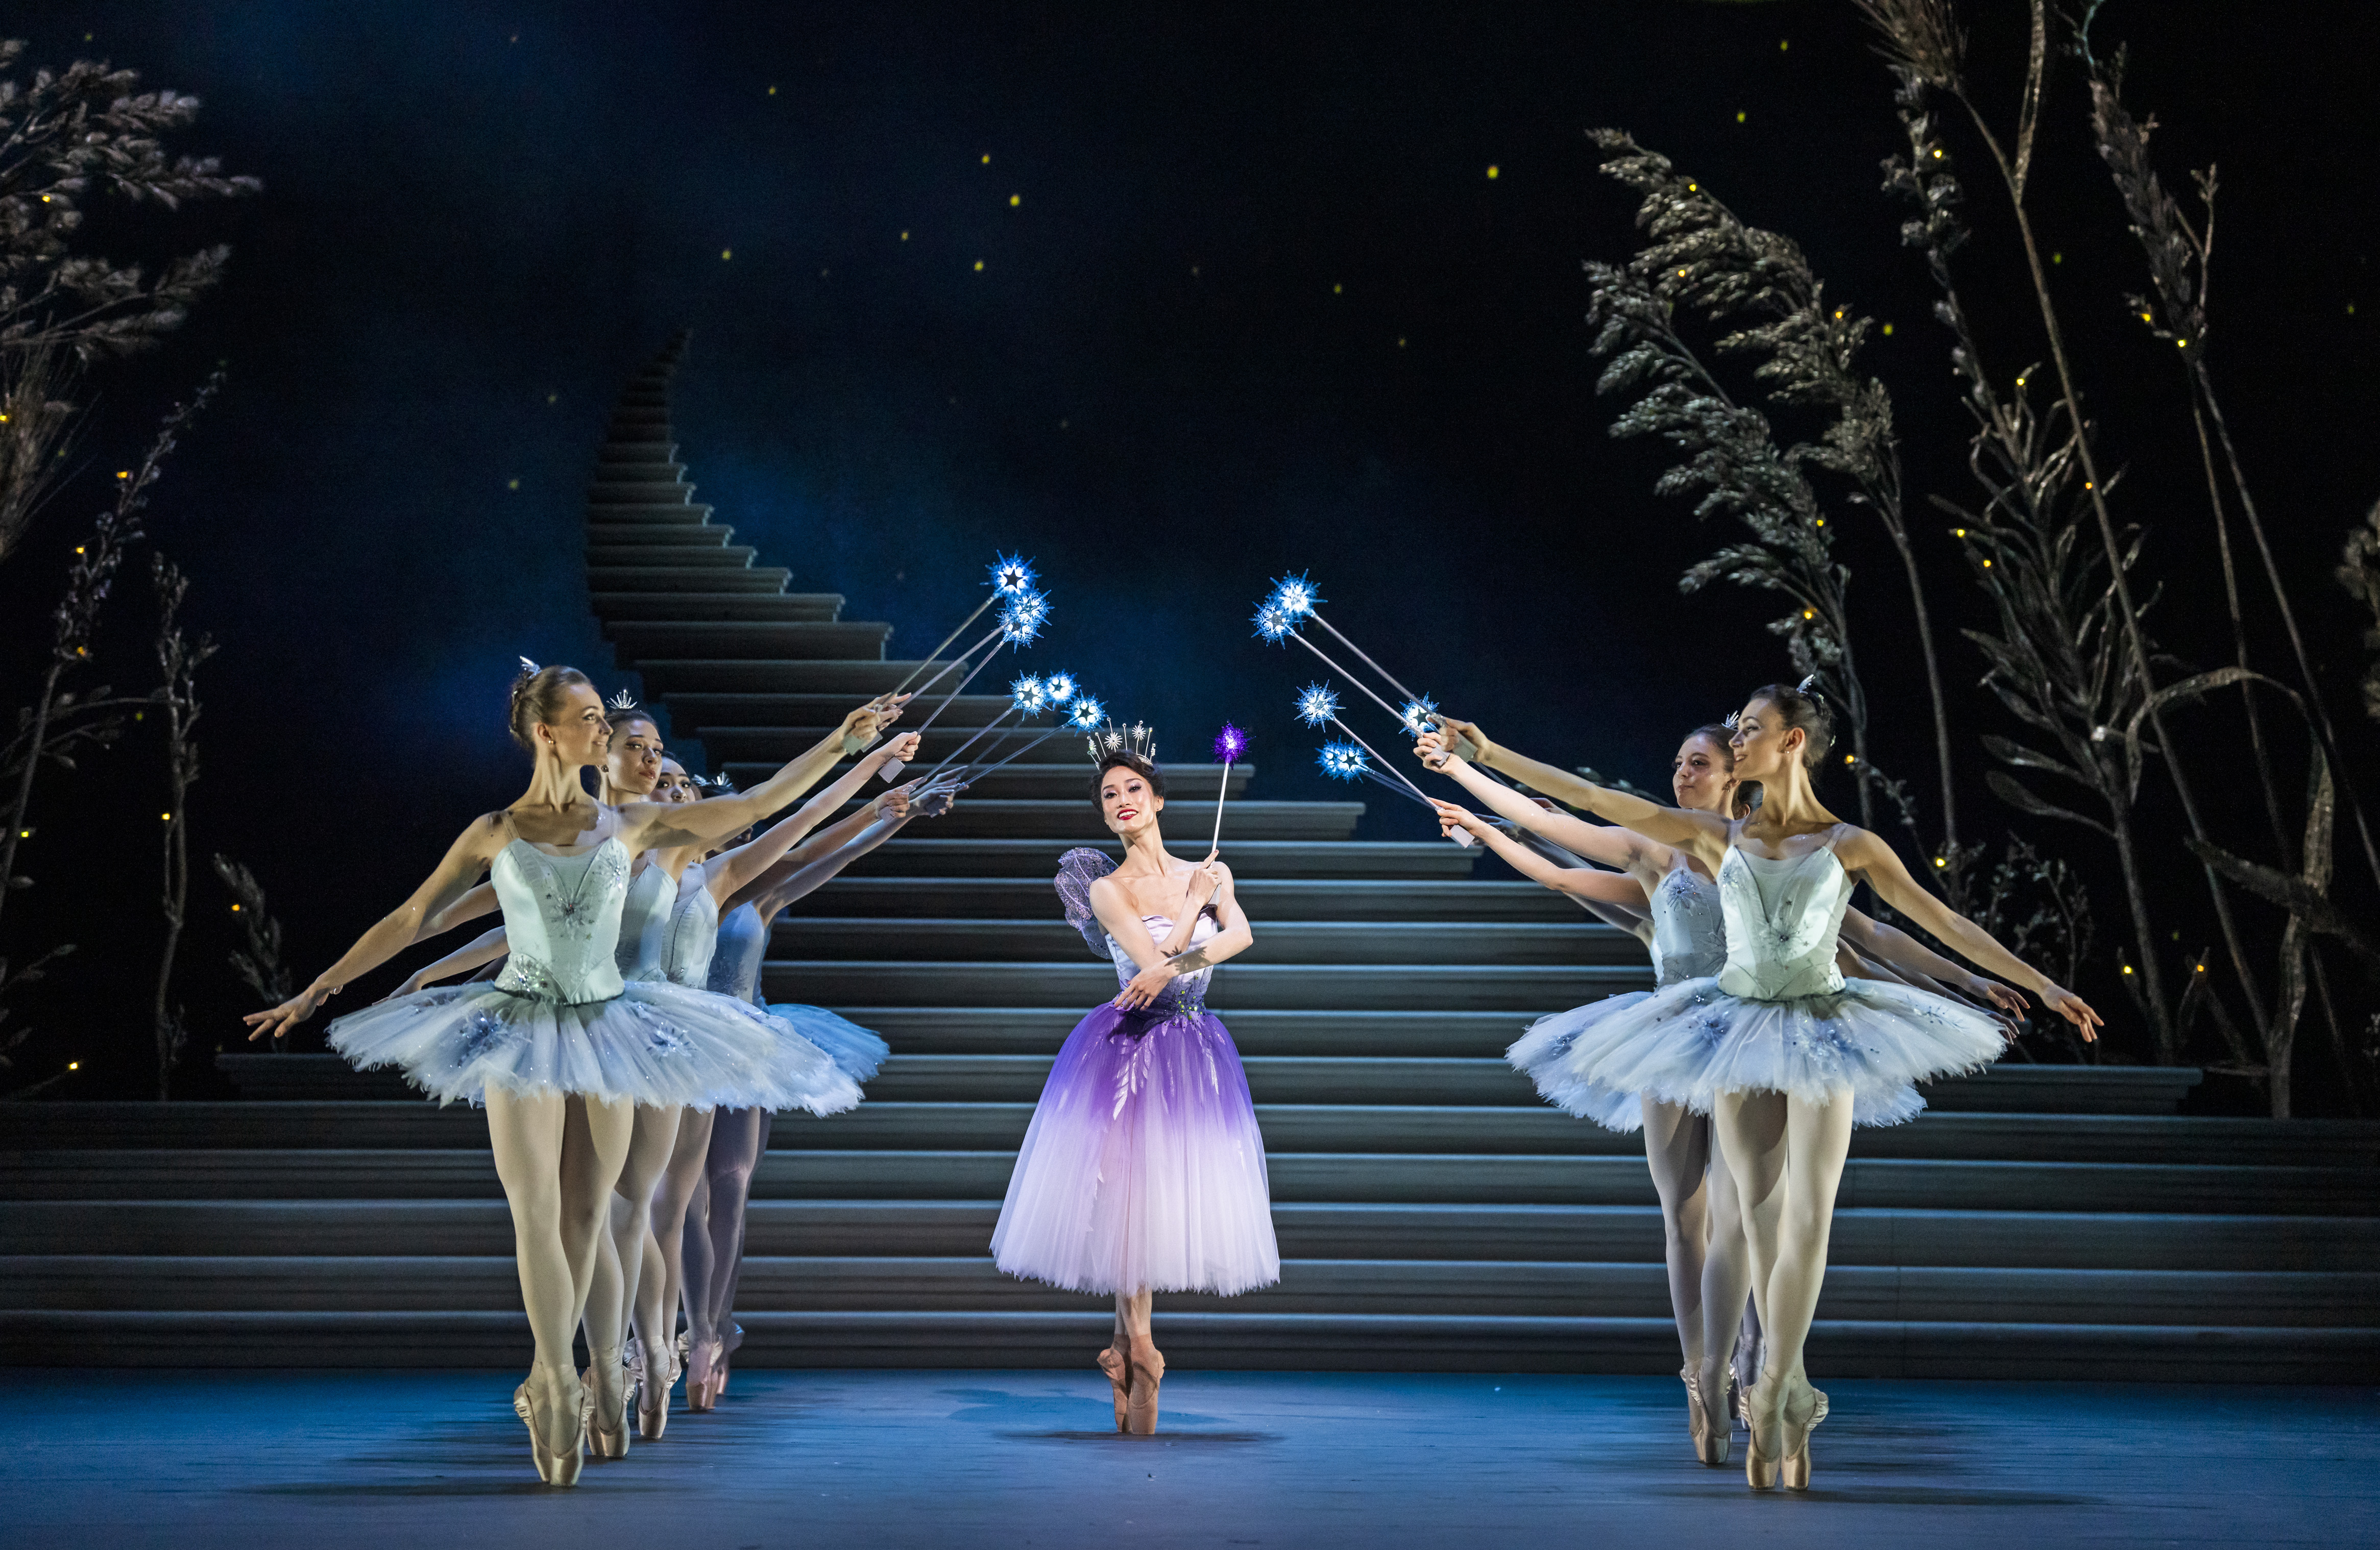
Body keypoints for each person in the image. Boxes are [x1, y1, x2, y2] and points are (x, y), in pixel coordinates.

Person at [1426, 684, 2099, 1491]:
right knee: (1750, 1217)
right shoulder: (1714, 838)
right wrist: (1486, 755)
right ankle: (1738, 1379)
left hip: (1819, 1028)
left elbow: (1930, 922)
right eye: (1733, 732)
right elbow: (1592, 803)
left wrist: (2038, 983)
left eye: (1749, 730)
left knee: (1806, 1218)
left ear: (1792, 742)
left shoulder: (1852, 844)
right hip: (1733, 1029)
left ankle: (1777, 1379)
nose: (1736, 742)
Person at [242, 666, 901, 1485]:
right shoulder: (492, 830)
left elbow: (759, 806)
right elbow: (414, 917)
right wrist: (321, 986)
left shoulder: (634, 825)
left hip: (609, 1027)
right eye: (589, 718)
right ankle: (554, 1378)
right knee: (537, 1209)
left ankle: (610, 1372)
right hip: (521, 1025)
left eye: (604, 719)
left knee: (592, 1217)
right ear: (547, 732)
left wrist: (841, 745)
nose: (605, 730)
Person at [990, 727, 1275, 1436]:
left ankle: (1124, 1349)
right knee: (1124, 1201)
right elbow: (1152, 968)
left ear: (1158, 800)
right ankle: (1142, 1350)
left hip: (1193, 1047)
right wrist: (1193, 906)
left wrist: (1208, 896)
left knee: (1150, 1203)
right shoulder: (1107, 888)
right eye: (1109, 794)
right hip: (1127, 1048)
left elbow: (1240, 937)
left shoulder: (1208, 871)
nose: (1121, 800)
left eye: (1132, 790)